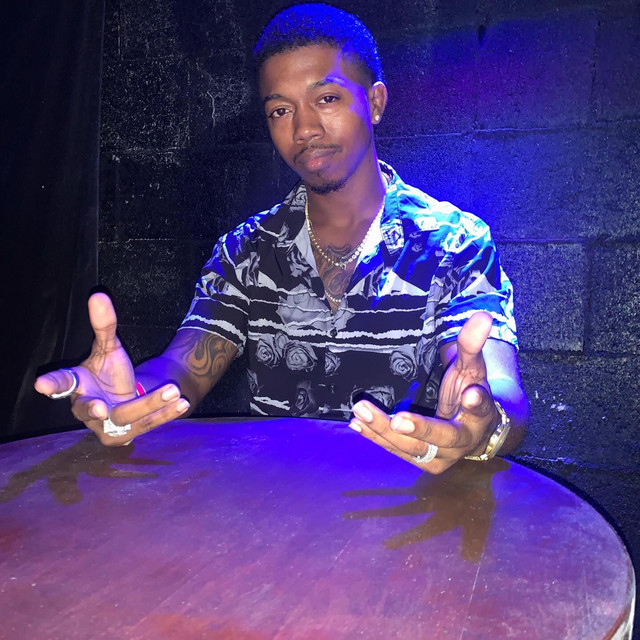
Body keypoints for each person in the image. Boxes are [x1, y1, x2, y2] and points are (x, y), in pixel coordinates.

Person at [34, 3, 528, 474]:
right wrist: (131, 395)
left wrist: (483, 421)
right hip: (275, 511)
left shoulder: (452, 243)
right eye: (280, 110)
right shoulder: (246, 251)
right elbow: (184, 368)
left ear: (375, 102)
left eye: (326, 99)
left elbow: (497, 389)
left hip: (408, 510)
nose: (304, 128)